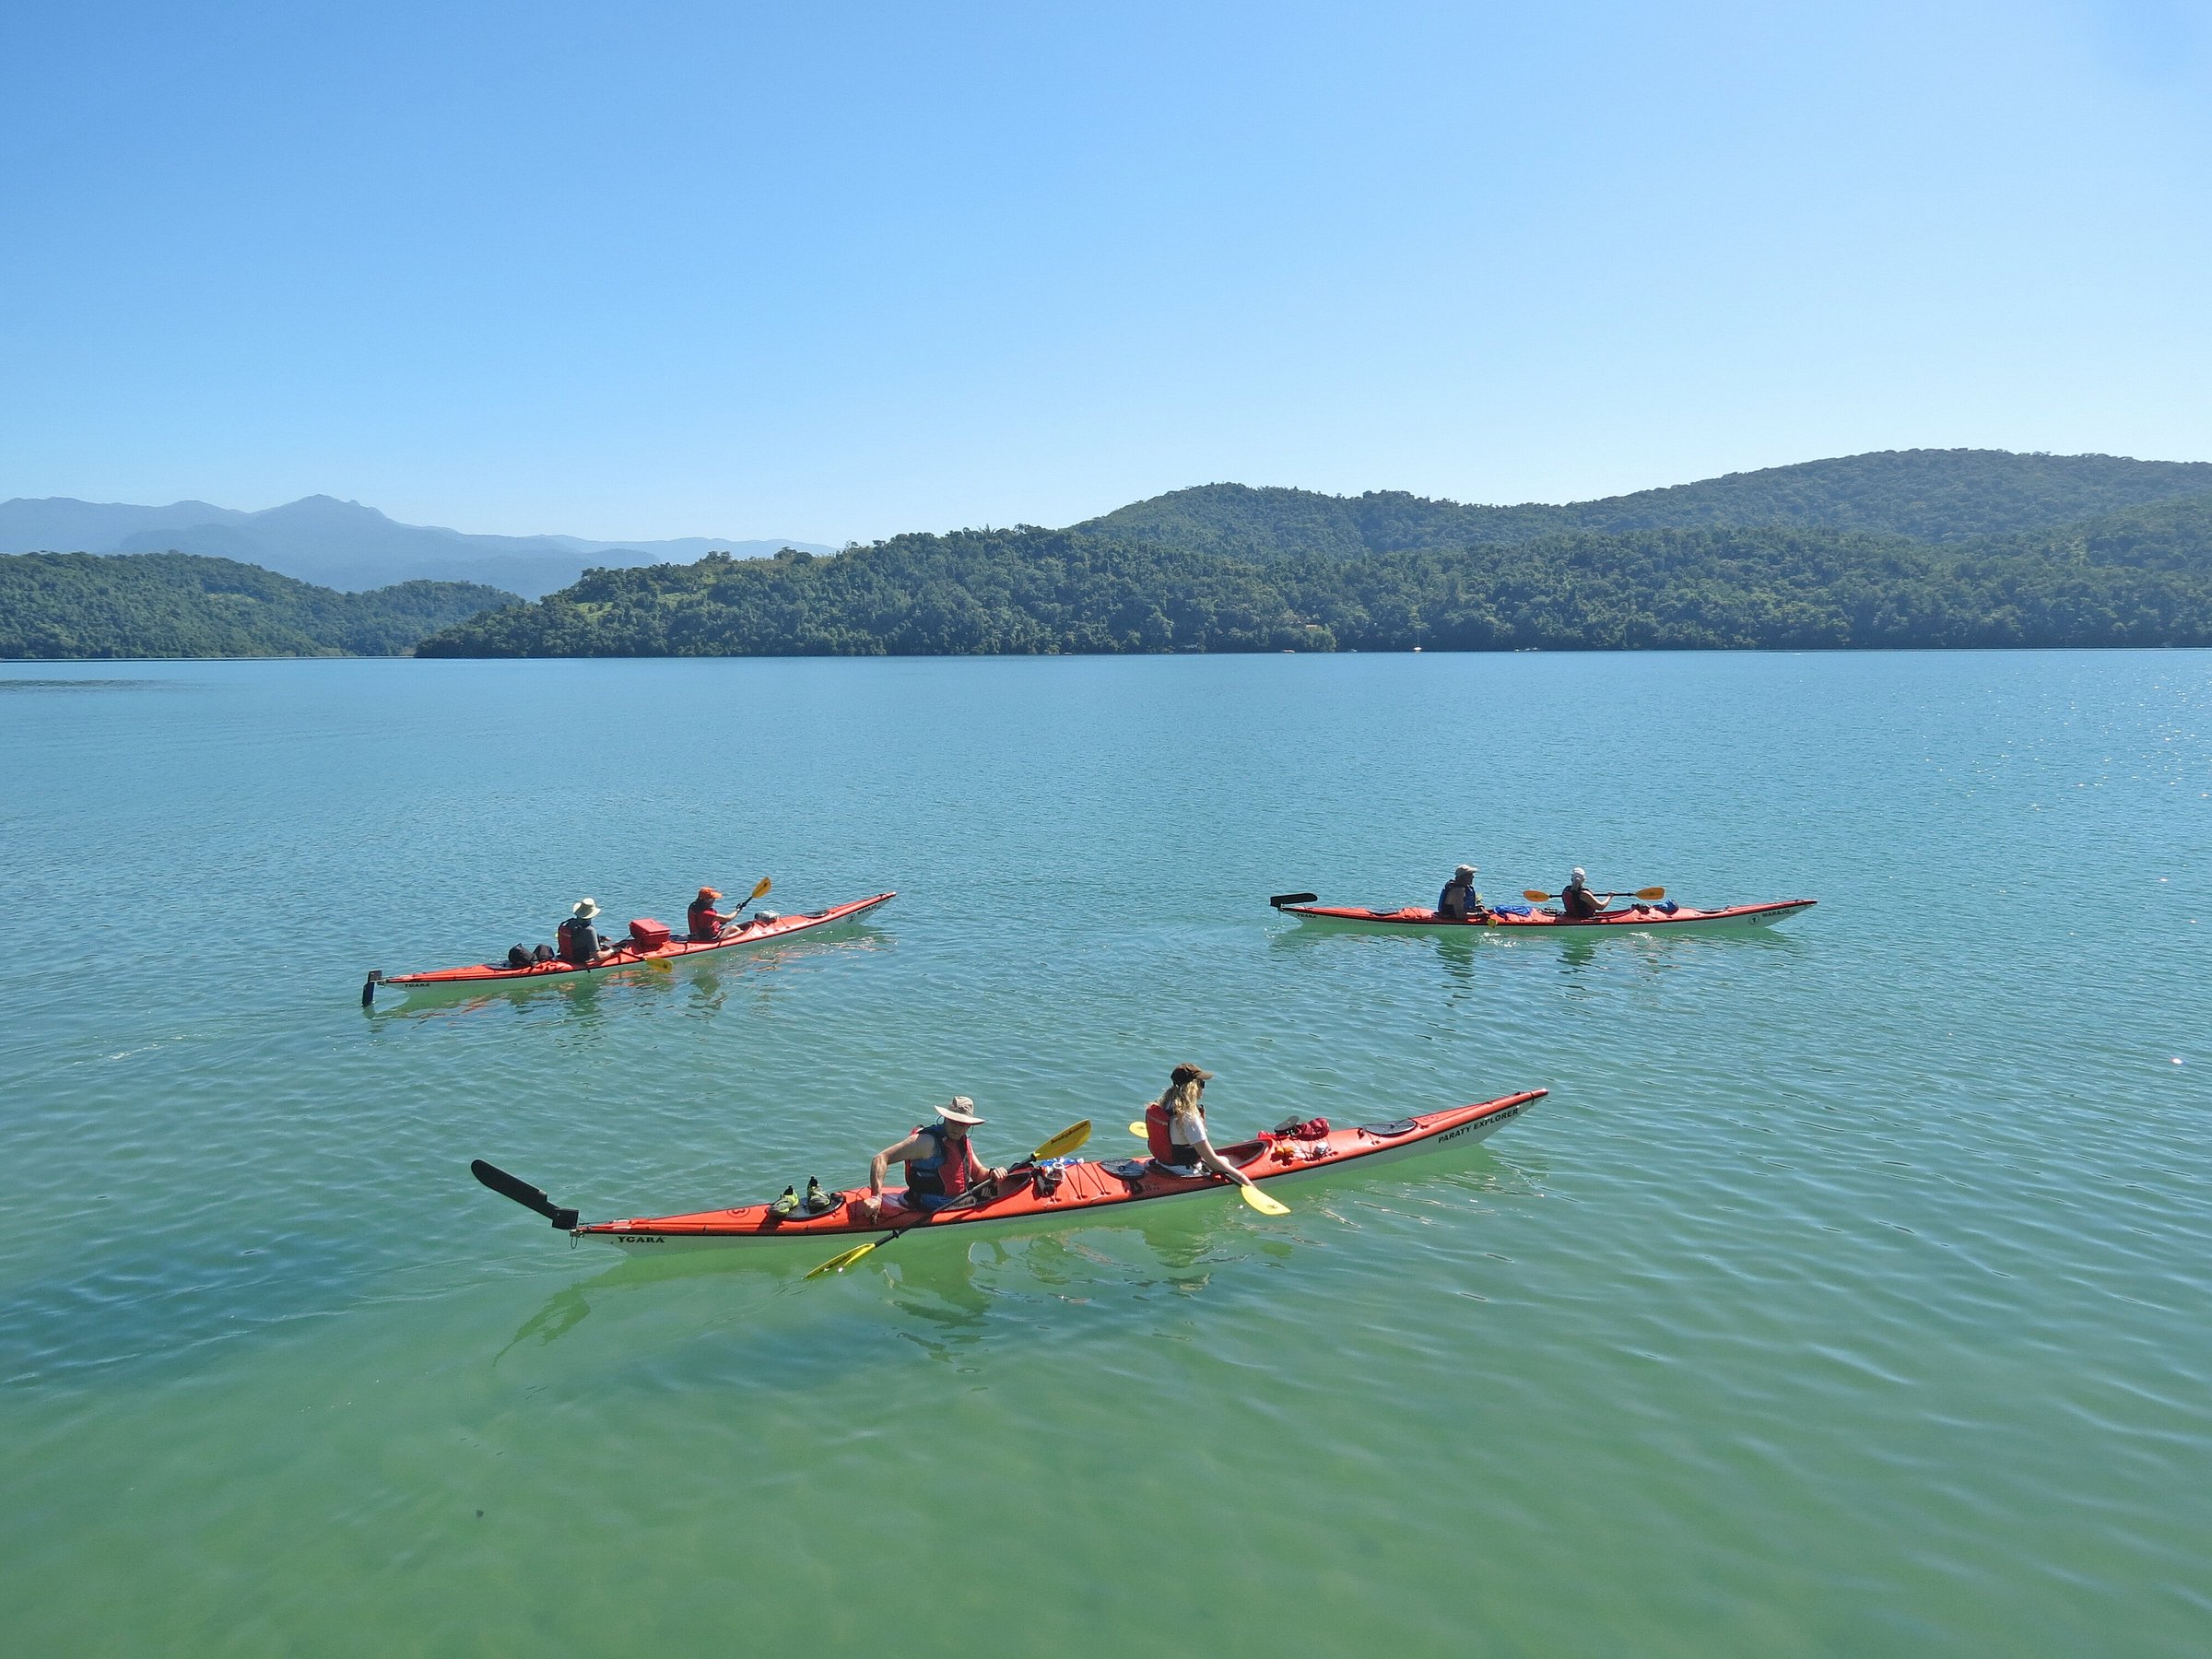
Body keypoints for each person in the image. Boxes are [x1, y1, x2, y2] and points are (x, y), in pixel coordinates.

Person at [856, 1098, 1011, 1222]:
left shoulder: (962, 1141)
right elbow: (881, 1158)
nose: (957, 1128)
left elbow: (978, 1174)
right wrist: (876, 1197)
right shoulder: (926, 1142)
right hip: (929, 1207)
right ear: (945, 1118)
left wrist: (993, 1173)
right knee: (981, 1198)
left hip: (956, 1202)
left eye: (962, 1124)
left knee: (992, 1190)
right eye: (953, 1121)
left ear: (969, 1126)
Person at [1142, 1065, 1265, 1197]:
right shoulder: (1189, 1118)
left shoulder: (1163, 1105)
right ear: (1193, 1087)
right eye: (1202, 1083)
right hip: (1184, 1171)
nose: (1203, 1088)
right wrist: (1245, 1181)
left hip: (1162, 1164)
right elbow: (1211, 1160)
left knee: (1225, 1159)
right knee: (1227, 1160)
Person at [557, 899, 608, 964]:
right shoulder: (589, 930)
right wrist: (613, 950)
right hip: (578, 960)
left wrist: (599, 938)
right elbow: (598, 957)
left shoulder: (568, 923)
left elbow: (576, 937)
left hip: (566, 956)